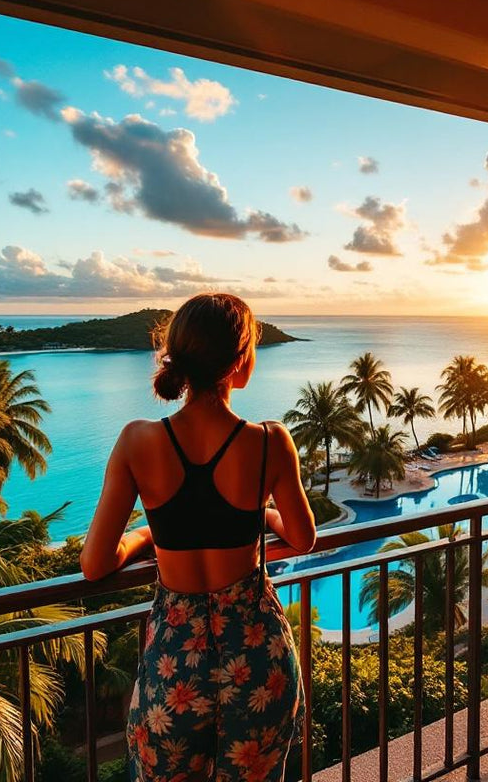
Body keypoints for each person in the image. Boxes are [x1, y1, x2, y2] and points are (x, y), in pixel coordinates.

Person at [80, 293, 316, 782]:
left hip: (175, 663)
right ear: (240, 362)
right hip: (257, 655)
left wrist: (147, 536)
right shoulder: (271, 441)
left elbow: (96, 564)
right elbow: (303, 535)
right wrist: (264, 517)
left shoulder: (137, 441)